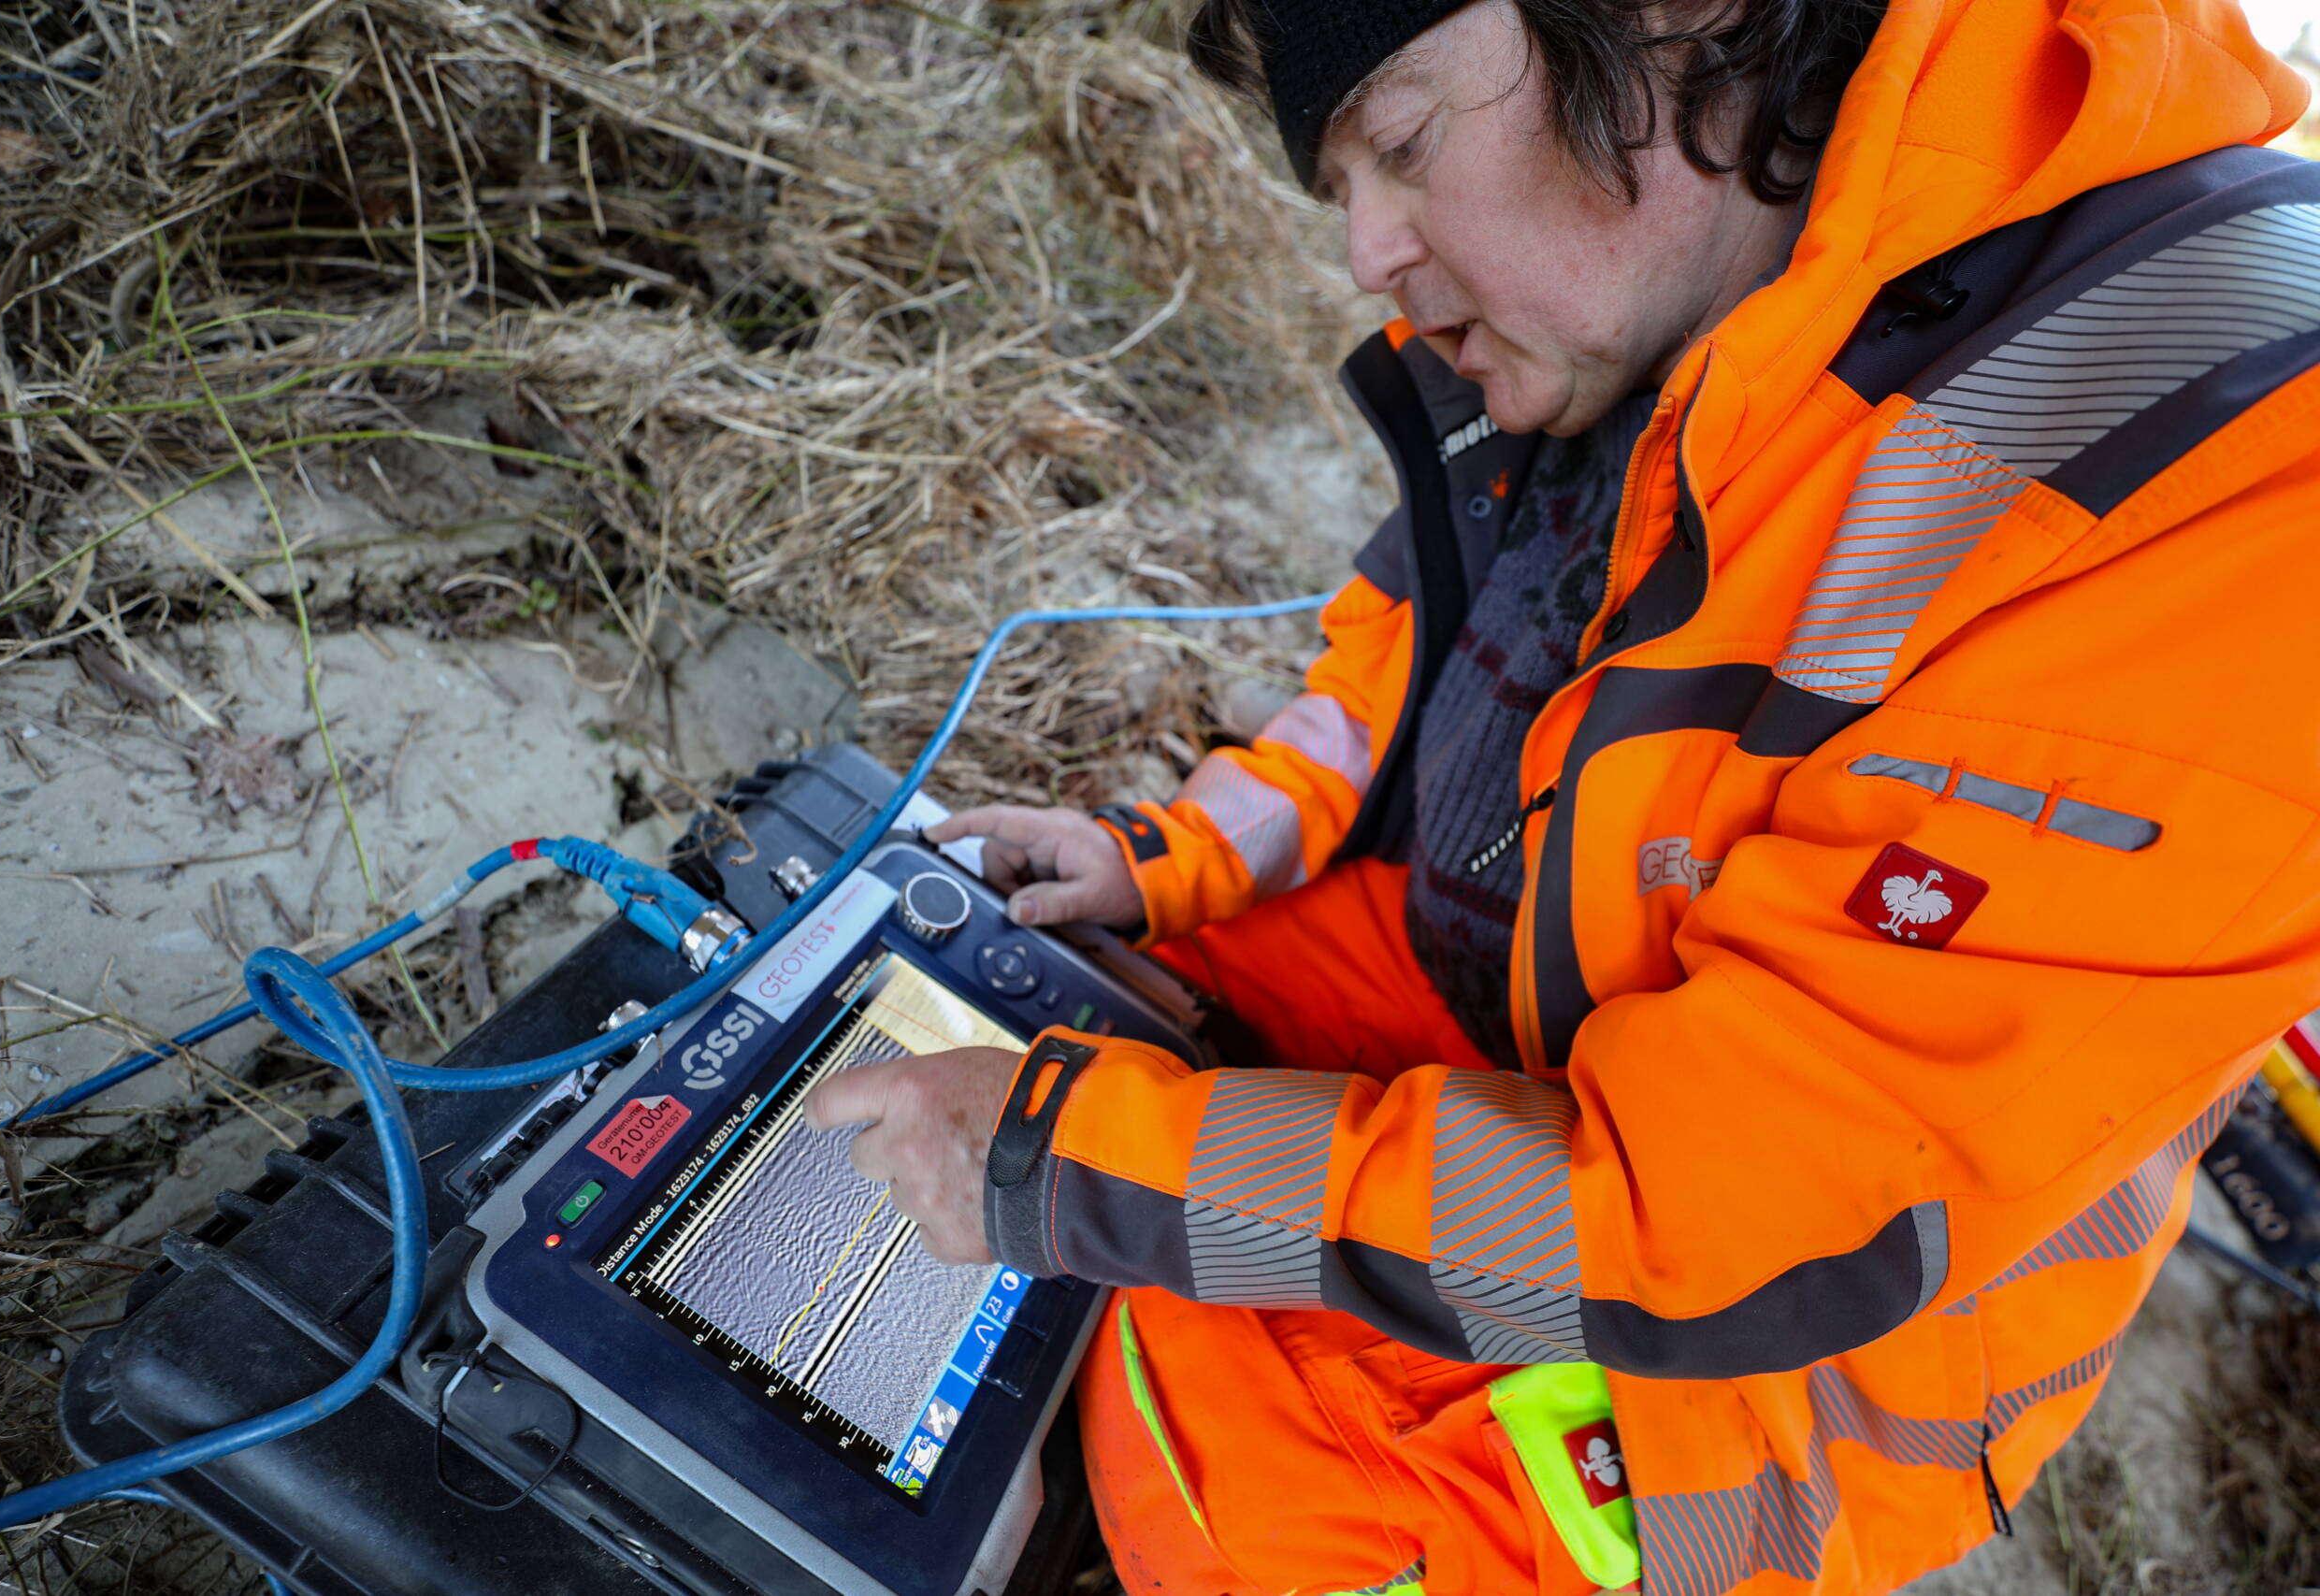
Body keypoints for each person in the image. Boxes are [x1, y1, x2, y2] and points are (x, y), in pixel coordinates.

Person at [803, 1, 2320, 1590]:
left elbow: (1712, 1210)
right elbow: (1427, 657)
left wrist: (1064, 1166)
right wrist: (1186, 853)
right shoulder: (1648, 293)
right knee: (1036, 991)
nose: (1369, 255)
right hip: (1537, 992)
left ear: (1674, 23)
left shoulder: (2240, 457)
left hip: (1771, 1358)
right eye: (1343, 192)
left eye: (1400, 146)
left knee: (1233, 1502)